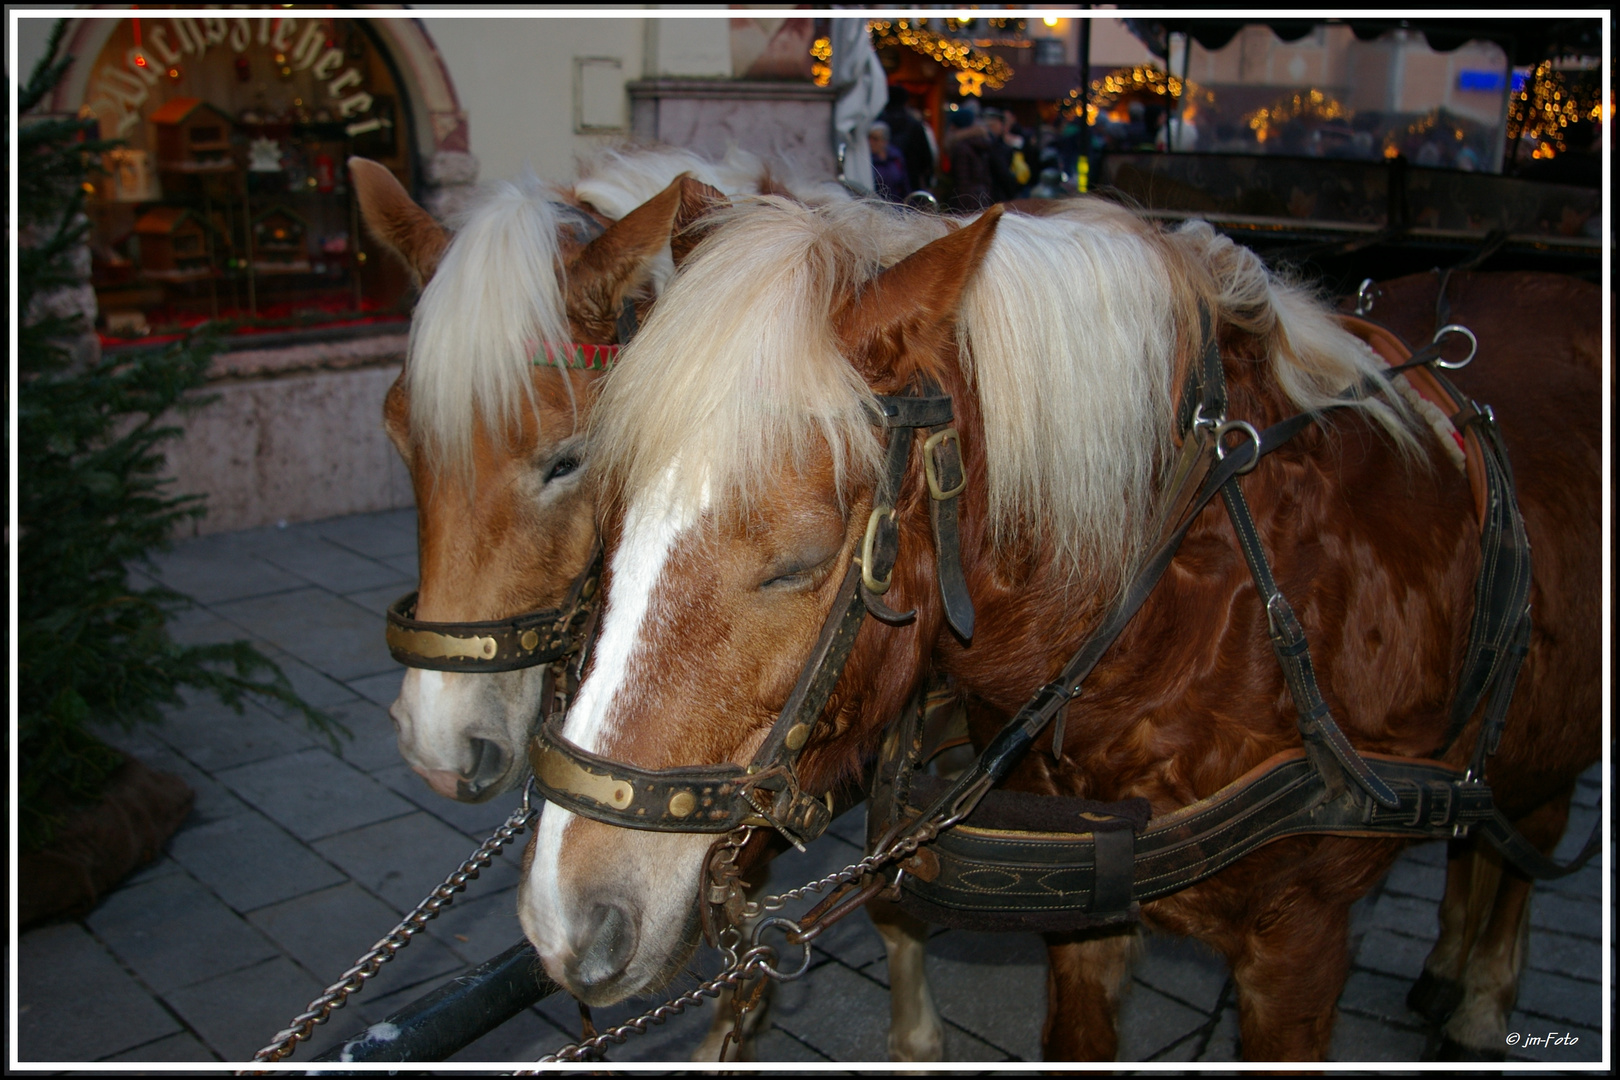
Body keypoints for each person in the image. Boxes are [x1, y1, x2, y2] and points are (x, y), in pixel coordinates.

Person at [945, 105, 995, 210]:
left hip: (966, 202)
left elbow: (962, 180)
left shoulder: (961, 147)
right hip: (981, 198)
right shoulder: (980, 143)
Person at [868, 121, 909, 202]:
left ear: (884, 141)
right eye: (869, 138)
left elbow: (905, 184)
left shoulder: (895, 157)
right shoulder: (868, 160)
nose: (871, 143)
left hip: (896, 205)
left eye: (875, 139)